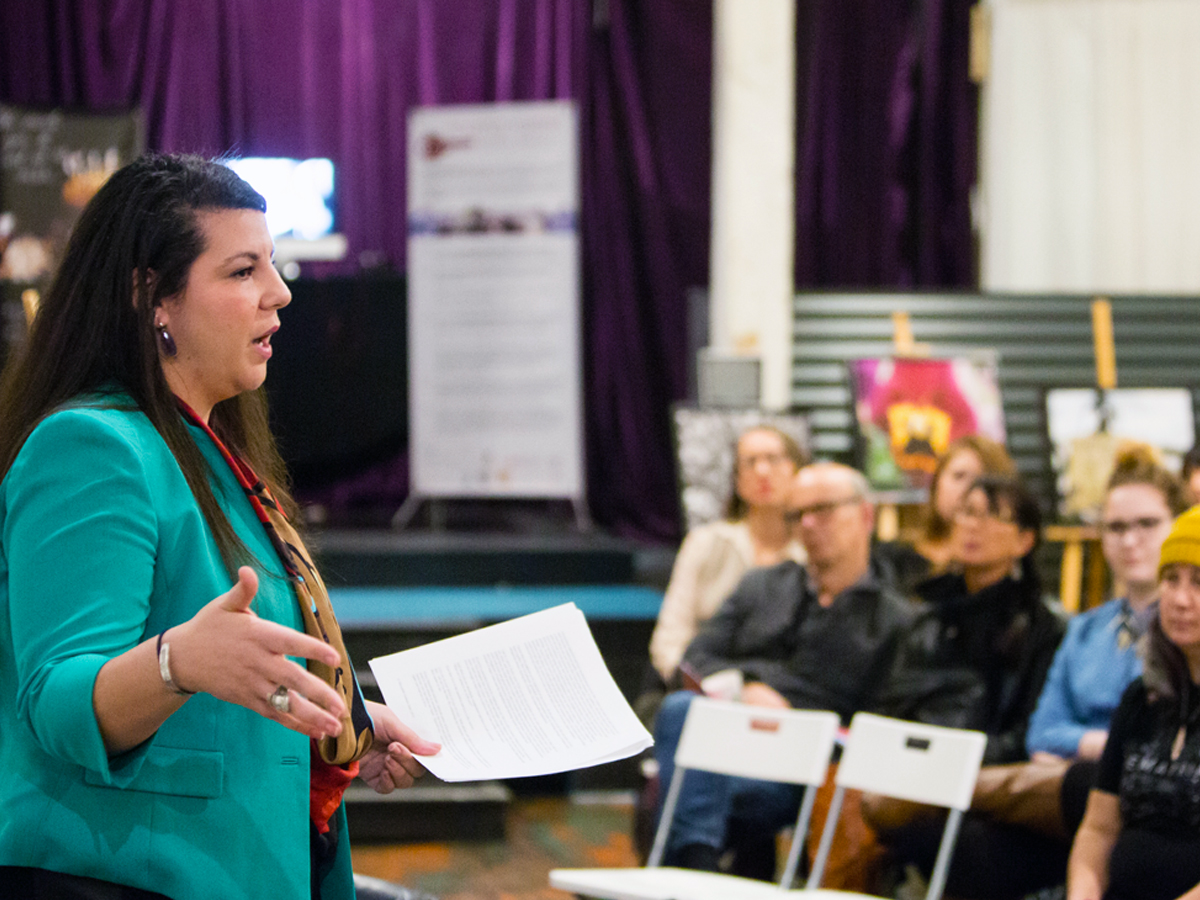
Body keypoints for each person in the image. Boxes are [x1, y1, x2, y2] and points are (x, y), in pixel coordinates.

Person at [0, 154, 439, 900]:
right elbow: (61, 700)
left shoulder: (209, 449)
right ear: (153, 298)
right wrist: (178, 661)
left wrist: (346, 735)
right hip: (138, 875)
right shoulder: (92, 447)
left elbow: (237, 673)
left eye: (271, 266)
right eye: (242, 272)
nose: (280, 293)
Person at [652, 461, 913, 874]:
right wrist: (749, 687)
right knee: (682, 714)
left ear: (866, 514)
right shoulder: (762, 585)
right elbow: (696, 657)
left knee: (680, 785)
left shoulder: (895, 619)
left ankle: (683, 875)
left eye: (823, 510)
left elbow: (882, 719)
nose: (808, 524)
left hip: (806, 770)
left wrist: (794, 719)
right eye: (796, 515)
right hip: (729, 746)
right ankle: (695, 870)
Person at [870, 474, 1065, 899]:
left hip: (987, 777)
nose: (973, 526)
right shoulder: (924, 614)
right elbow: (888, 702)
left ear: (1024, 541)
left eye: (992, 517)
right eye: (967, 513)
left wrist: (952, 761)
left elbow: (1027, 734)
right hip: (908, 769)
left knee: (963, 842)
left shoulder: (1042, 627)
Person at [1067, 506, 1200, 900]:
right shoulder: (1143, 697)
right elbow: (1099, 829)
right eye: (1171, 579)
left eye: (1198, 582)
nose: (1179, 599)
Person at [648, 424, 807, 686]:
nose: (762, 471)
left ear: (797, 469)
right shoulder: (706, 543)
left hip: (784, 695)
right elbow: (670, 638)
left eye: (773, 459)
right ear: (736, 479)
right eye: (750, 462)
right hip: (706, 688)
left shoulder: (812, 554)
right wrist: (695, 687)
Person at [875, 434, 1016, 595]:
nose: (969, 490)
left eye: (981, 481)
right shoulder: (891, 561)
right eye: (959, 476)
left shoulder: (1003, 562)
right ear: (936, 485)